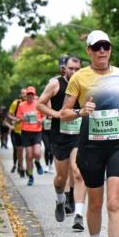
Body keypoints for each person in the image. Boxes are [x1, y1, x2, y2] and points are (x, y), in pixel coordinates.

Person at [60, 30, 119, 237]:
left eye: (106, 46)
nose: (102, 51)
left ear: (110, 49)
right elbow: (64, 113)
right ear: (89, 51)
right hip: (91, 146)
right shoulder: (79, 78)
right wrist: (81, 111)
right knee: (95, 202)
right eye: (97, 47)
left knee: (113, 202)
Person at [38, 55, 88, 224]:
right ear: (64, 69)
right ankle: (60, 199)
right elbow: (40, 103)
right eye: (71, 68)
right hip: (59, 136)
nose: (74, 72)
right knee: (61, 178)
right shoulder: (55, 84)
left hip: (78, 135)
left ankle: (78, 214)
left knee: (78, 171)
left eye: (77, 69)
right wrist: (56, 114)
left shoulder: (84, 84)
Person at [15, 87, 44, 184]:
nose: (30, 96)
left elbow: (44, 116)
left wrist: (41, 120)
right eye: (28, 94)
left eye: (32, 94)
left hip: (37, 132)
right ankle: (30, 176)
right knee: (29, 155)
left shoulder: (38, 104)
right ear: (26, 95)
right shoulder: (21, 105)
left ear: (34, 95)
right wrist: (21, 118)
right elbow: (17, 119)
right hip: (26, 132)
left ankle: (37, 162)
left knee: (37, 153)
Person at [7, 90, 26, 175]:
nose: (24, 94)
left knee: (22, 149)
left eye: (26, 93)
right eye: (23, 93)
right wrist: (15, 119)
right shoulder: (16, 103)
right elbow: (9, 114)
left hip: (26, 130)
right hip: (16, 130)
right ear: (20, 94)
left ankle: (20, 166)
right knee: (16, 148)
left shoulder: (30, 103)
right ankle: (16, 164)